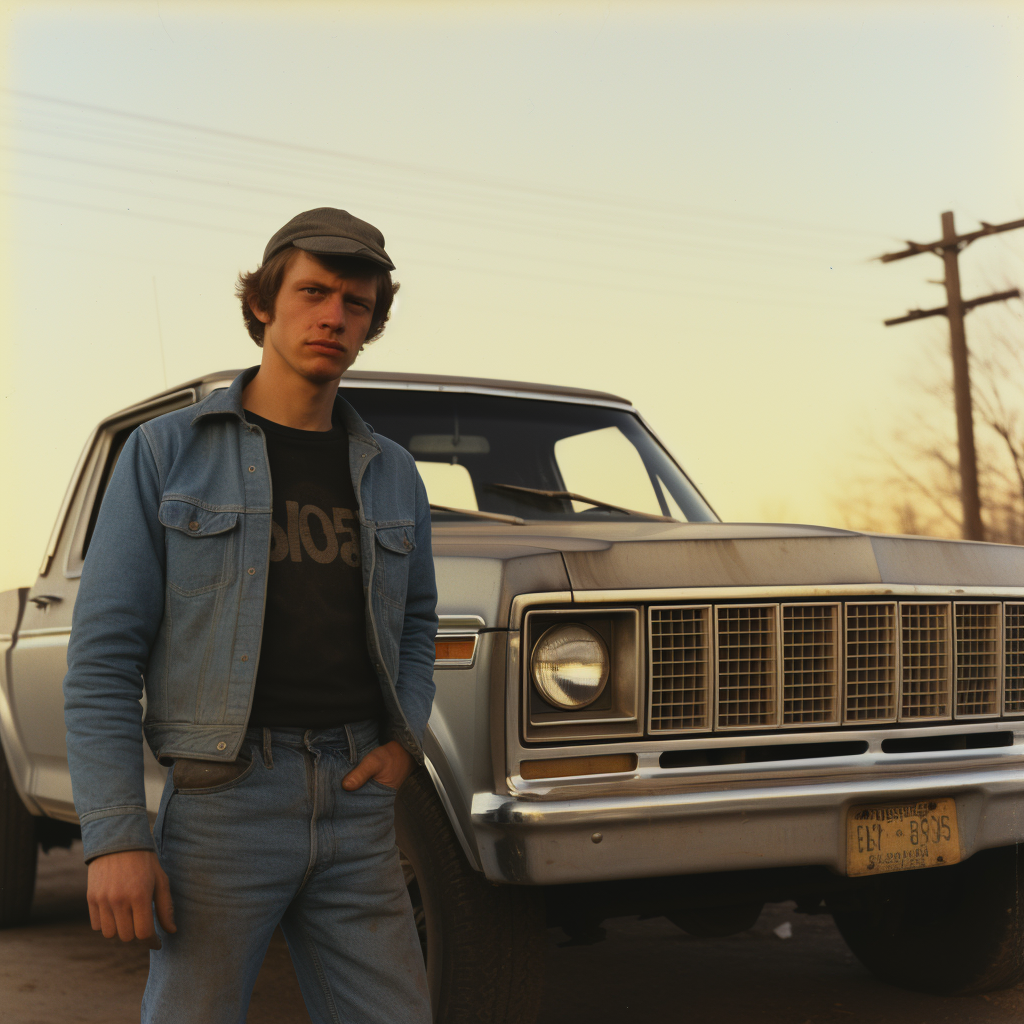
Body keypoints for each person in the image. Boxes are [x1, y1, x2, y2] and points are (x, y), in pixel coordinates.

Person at [63, 208, 437, 1024]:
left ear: (373, 323)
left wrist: (401, 744)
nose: (334, 316)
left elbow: (418, 627)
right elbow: (102, 658)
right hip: (225, 801)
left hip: (356, 801)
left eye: (357, 303)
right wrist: (116, 834)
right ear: (264, 302)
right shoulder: (167, 453)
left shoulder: (394, 474)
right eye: (313, 292)